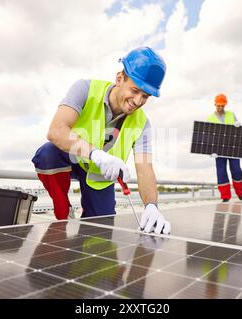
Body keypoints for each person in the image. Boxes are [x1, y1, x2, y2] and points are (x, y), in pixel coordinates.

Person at [31, 47, 171, 235]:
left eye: (145, 96)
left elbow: (145, 168)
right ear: (120, 78)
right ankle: (64, 213)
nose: (138, 101)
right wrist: (95, 154)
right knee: (47, 154)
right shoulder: (85, 89)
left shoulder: (142, 123)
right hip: (72, 159)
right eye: (135, 90)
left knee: (101, 235)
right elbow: (57, 130)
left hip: (100, 176)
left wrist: (152, 206)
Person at [207, 93, 242, 202]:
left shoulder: (231, 115)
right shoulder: (210, 118)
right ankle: (225, 196)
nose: (220, 107)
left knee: (237, 171)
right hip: (218, 150)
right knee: (221, 172)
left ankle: (239, 193)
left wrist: (238, 125)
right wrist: (210, 151)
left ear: (225, 105)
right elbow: (209, 137)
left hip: (233, 148)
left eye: (222, 106)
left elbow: (238, 130)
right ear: (215, 104)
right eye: (219, 105)